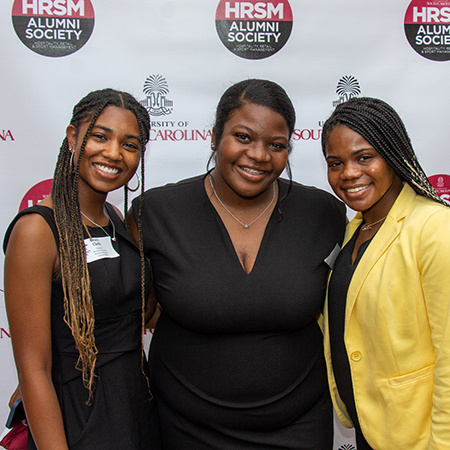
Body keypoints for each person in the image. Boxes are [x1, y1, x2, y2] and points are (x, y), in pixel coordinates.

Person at [129, 79, 347, 448]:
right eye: (243, 137)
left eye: (276, 145)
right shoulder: (156, 213)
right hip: (183, 426)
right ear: (215, 136)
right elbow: (123, 312)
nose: (259, 155)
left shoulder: (324, 214)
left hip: (300, 424)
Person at [3, 88, 158, 449]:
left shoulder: (116, 219)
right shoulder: (36, 231)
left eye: (130, 144)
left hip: (136, 406)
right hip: (78, 416)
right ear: (73, 137)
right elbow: (34, 369)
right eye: (100, 136)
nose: (113, 153)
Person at [321, 97, 450, 449]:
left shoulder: (434, 227)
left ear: (392, 154)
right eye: (336, 163)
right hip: (371, 427)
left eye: (364, 157)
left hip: (418, 438)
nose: (348, 173)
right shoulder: (355, 229)